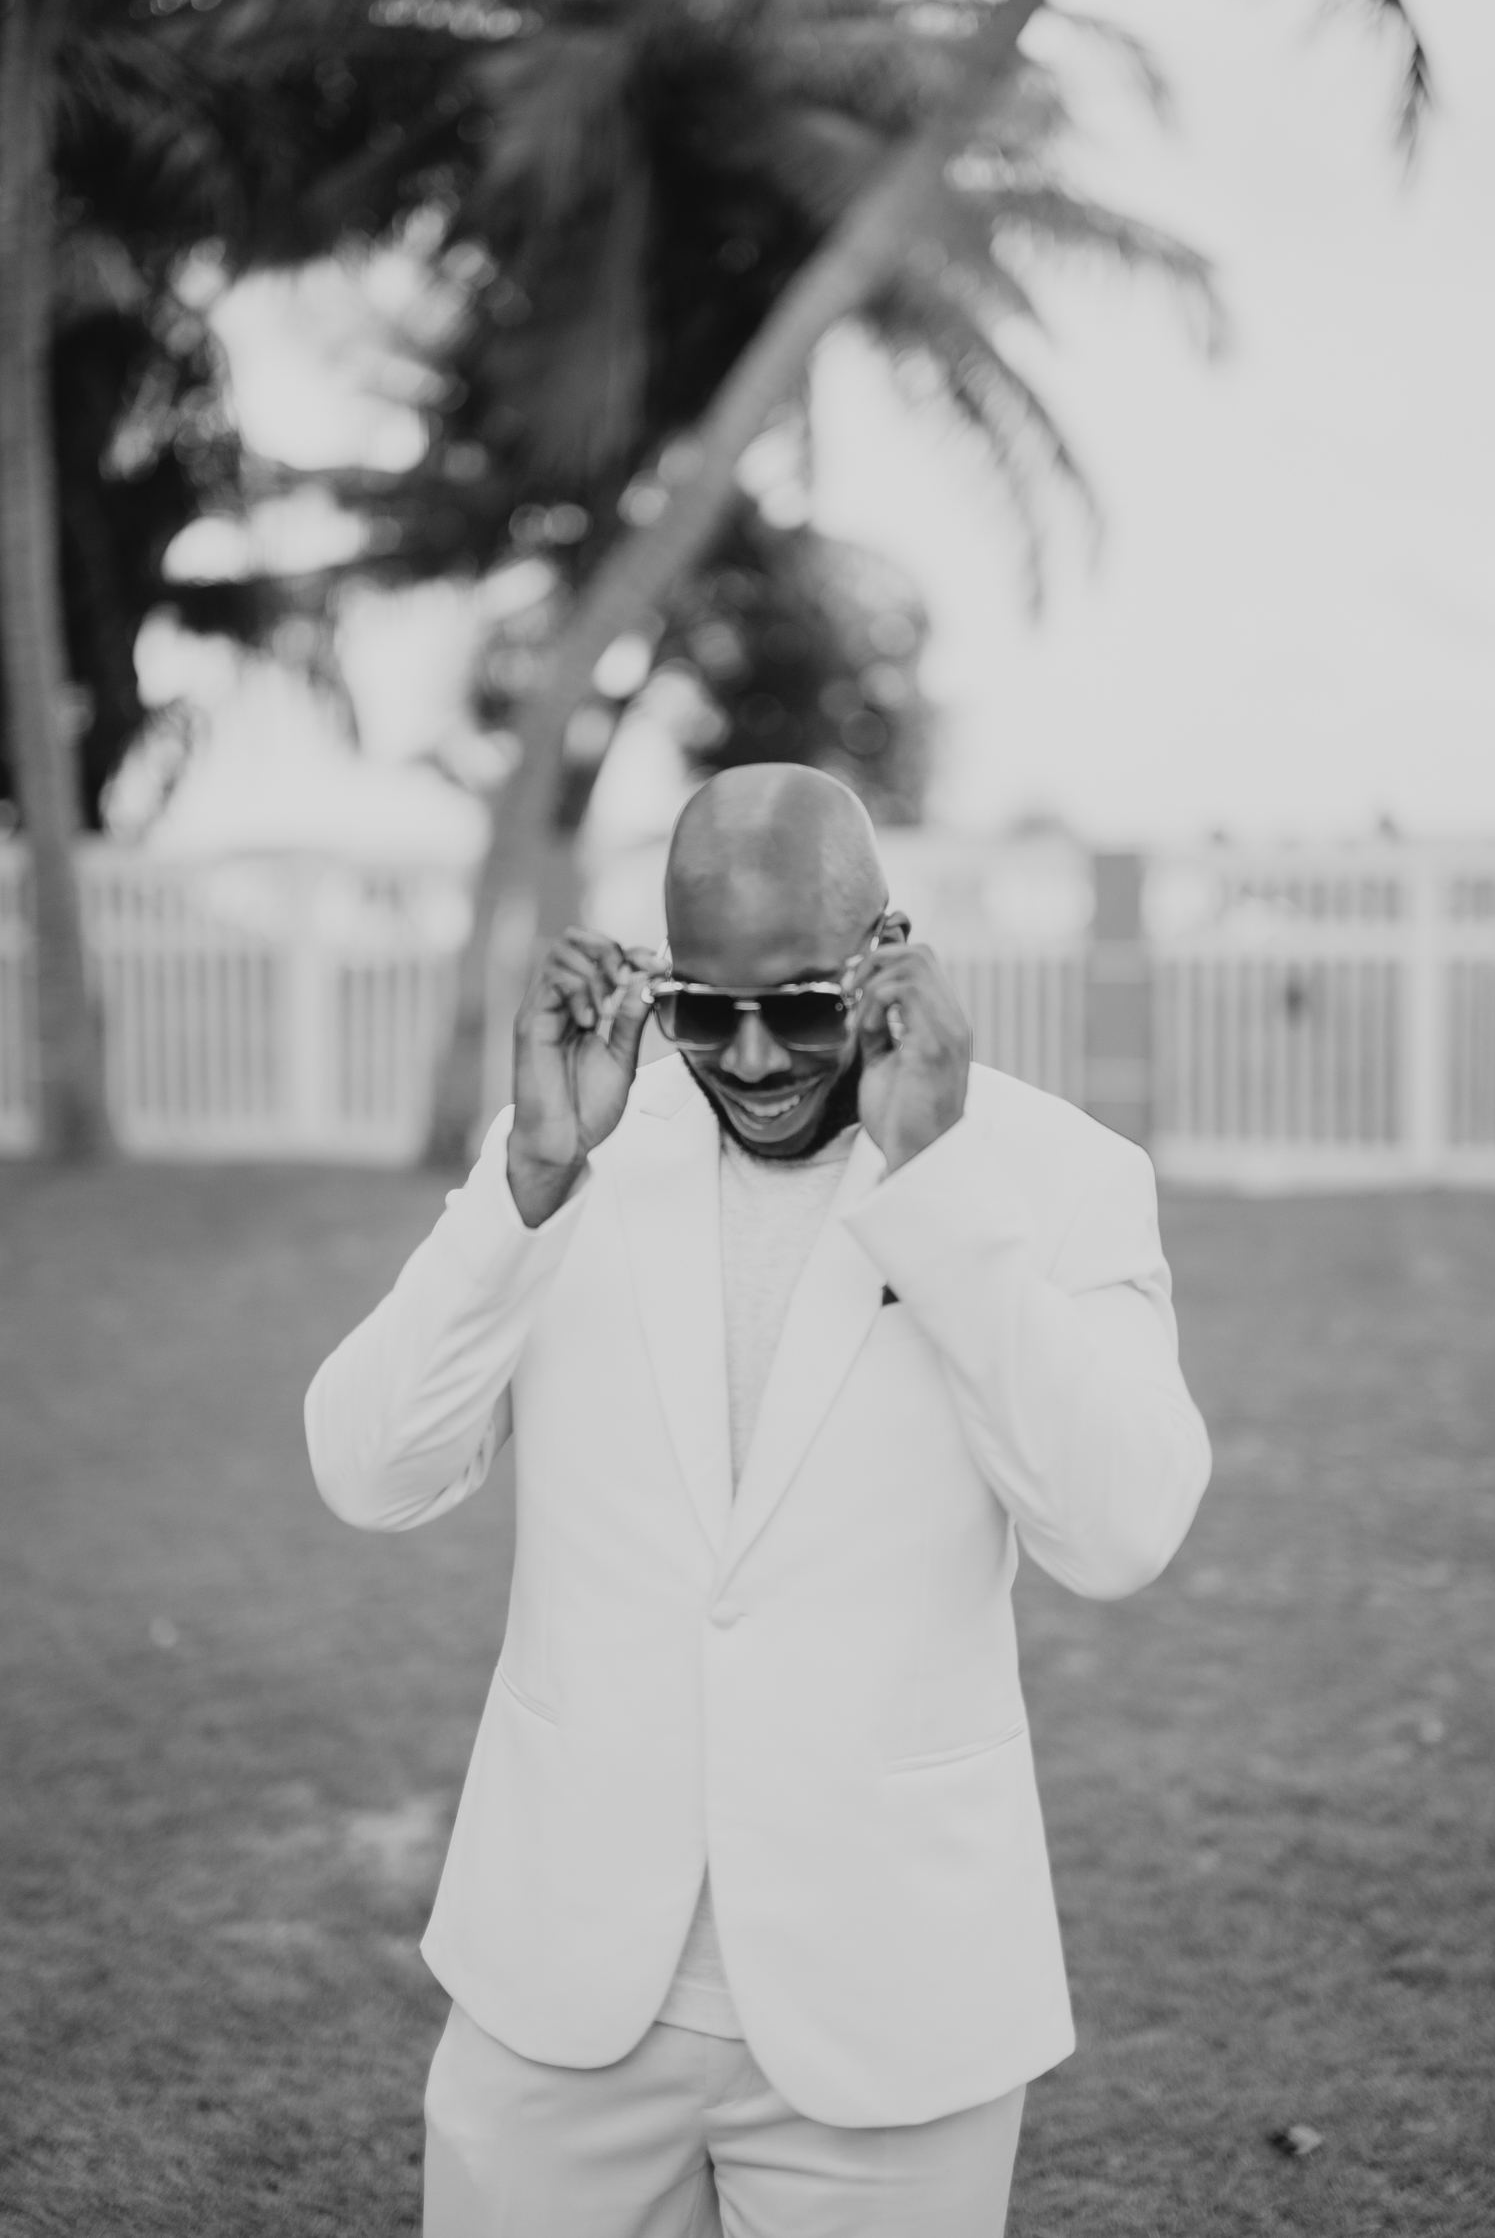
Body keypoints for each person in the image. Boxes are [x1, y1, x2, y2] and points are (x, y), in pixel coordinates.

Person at [305, 763, 1212, 2238]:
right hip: (559, 1990)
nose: (751, 1054)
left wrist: (940, 1188)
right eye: (700, 1008)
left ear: (888, 949)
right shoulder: (571, 1149)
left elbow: (1119, 1531)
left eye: (799, 1004)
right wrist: (530, 1176)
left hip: (892, 2009)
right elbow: (367, 1468)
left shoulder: (1056, 1179)